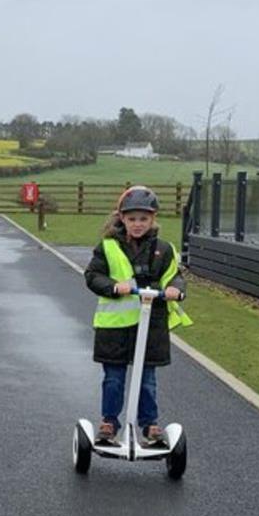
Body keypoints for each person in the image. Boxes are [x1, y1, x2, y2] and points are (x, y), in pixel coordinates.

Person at [84, 186, 192, 446]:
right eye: (132, 219)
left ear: (152, 219)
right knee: (114, 378)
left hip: (151, 325)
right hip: (115, 328)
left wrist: (176, 289)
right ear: (122, 218)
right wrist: (113, 287)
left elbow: (175, 275)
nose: (137, 224)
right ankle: (109, 422)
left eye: (143, 219)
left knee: (147, 380)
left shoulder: (164, 249)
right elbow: (92, 276)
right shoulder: (108, 247)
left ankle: (150, 425)